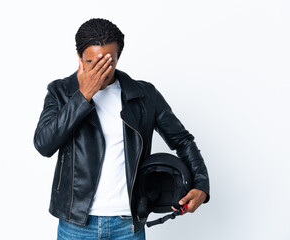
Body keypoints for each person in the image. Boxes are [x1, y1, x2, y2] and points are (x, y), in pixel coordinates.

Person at [33, 18, 210, 240]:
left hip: (127, 225)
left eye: (107, 63)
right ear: (79, 58)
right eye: (91, 62)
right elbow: (44, 144)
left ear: (118, 58)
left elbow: (182, 140)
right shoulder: (61, 92)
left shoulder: (144, 95)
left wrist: (202, 184)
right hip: (76, 224)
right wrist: (83, 96)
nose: (100, 72)